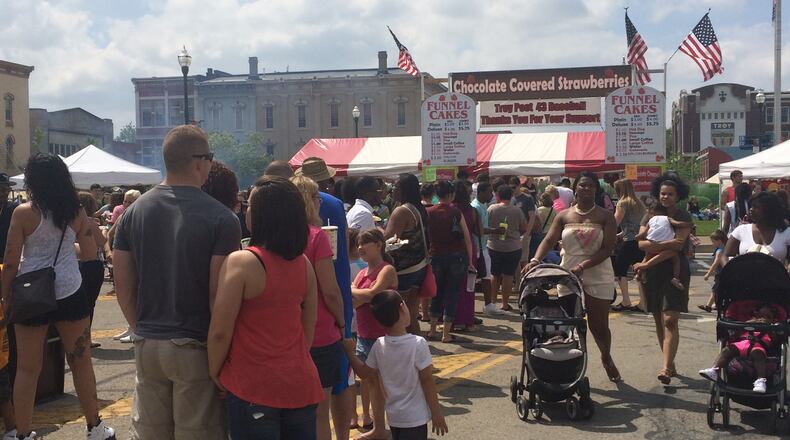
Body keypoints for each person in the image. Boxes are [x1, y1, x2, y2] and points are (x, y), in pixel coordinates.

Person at [113, 125, 241, 438]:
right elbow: (218, 296)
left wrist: (141, 326)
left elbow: (122, 283)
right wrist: (220, 360)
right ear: (199, 162)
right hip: (195, 345)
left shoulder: (133, 212)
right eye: (209, 157)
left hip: (148, 341)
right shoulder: (222, 219)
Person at [1, 154, 115, 440]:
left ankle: (24, 433)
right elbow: (90, 255)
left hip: (31, 293)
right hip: (70, 290)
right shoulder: (74, 212)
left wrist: (6, 297)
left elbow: (12, 261)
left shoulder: (24, 213)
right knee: (80, 359)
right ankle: (95, 427)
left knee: (28, 368)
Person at [207, 176, 324, 439]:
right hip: (300, 381)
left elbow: (220, 331)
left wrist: (215, 371)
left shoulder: (242, 262)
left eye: (250, 205)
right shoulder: (303, 264)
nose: (246, 210)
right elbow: (309, 325)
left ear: (262, 215)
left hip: (252, 386)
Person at [526, 171, 621, 383]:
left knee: (598, 325)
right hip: (567, 274)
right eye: (582, 185)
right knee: (567, 323)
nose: (586, 189)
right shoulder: (564, 215)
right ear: (575, 188)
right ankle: (572, 365)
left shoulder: (605, 216)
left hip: (598, 272)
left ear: (596, 189)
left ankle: (606, 356)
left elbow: (607, 249)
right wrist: (535, 260)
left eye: (590, 186)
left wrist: (583, 266)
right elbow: (549, 240)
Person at [293, 157, 356, 440]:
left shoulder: (283, 220)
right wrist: (343, 318)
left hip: (295, 319)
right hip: (330, 309)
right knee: (338, 382)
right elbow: (339, 259)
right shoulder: (329, 210)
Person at [341, 291, 448, 440]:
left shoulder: (379, 345)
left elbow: (364, 373)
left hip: (394, 417)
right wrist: (437, 414)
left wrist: (350, 353)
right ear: (402, 308)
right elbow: (427, 380)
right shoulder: (417, 343)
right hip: (415, 418)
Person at [636, 173, 693, 385]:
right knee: (658, 318)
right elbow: (641, 244)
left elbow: (680, 244)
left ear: (678, 196)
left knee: (670, 319)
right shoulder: (650, 215)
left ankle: (666, 367)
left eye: (670, 194)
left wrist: (657, 245)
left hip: (675, 271)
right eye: (662, 194)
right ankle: (669, 361)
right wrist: (666, 245)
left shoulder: (684, 216)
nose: (665, 197)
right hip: (653, 273)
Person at [352, 229, 397, 440]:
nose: (360, 247)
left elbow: (372, 294)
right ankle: (376, 425)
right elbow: (359, 299)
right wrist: (364, 296)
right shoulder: (362, 274)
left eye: (366, 243)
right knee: (370, 383)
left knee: (381, 385)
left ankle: (382, 428)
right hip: (364, 334)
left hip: (382, 336)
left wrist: (357, 292)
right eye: (359, 244)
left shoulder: (386, 270)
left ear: (379, 244)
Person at [427, 181, 474, 343]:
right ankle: (446, 334)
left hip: (436, 257)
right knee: (452, 293)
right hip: (456, 257)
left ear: (436, 195)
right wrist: (470, 260)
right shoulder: (456, 212)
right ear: (451, 195)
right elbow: (467, 239)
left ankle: (432, 329)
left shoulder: (429, 212)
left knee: (436, 293)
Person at [384, 174, 429, 335]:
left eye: (396, 187)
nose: (393, 190)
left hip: (404, 268)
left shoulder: (401, 211)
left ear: (403, 190)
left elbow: (389, 240)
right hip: (420, 265)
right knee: (411, 312)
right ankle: (417, 346)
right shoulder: (420, 207)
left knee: (399, 313)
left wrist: (378, 232)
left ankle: (407, 347)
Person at [699, 303, 780, 393]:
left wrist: (769, 327)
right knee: (727, 350)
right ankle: (715, 370)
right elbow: (737, 334)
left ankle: (761, 380)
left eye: (768, 317)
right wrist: (750, 324)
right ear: (756, 315)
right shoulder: (750, 322)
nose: (763, 318)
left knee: (758, 355)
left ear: (773, 319)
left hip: (759, 346)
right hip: (742, 344)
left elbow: (775, 340)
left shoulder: (772, 328)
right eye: (761, 316)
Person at [486, 185, 527, 313]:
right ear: (511, 196)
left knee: (495, 274)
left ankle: (492, 302)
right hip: (513, 246)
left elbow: (486, 224)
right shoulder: (517, 210)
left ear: (498, 195)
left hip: (494, 245)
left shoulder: (491, 208)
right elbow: (524, 227)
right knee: (508, 275)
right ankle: (505, 303)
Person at [76, 192, 108, 348]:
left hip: (74, 264)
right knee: (89, 304)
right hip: (91, 265)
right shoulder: (89, 222)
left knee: (78, 302)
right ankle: (86, 337)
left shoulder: (68, 221)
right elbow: (102, 241)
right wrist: (102, 231)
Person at [632, 210, 692, 291]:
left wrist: (637, 237)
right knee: (676, 259)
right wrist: (688, 224)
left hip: (651, 242)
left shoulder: (650, 220)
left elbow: (644, 233)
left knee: (646, 257)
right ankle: (675, 278)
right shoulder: (667, 218)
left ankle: (639, 273)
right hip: (665, 242)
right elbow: (678, 224)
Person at [610, 179, 646, 312]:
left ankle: (626, 301)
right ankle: (643, 302)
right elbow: (635, 223)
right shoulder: (638, 202)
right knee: (639, 271)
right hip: (641, 241)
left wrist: (609, 233)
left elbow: (615, 222)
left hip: (629, 241)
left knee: (620, 269)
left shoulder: (622, 202)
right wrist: (620, 234)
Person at [724, 191, 790, 263]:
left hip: (776, 274)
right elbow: (725, 255)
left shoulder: (786, 232)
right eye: (751, 206)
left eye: (756, 207)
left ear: (768, 210)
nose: (751, 209)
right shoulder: (741, 230)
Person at [452, 180, 481, 330]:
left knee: (454, 287)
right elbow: (478, 231)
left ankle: (454, 319)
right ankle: (468, 318)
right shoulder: (472, 210)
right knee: (469, 287)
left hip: (454, 249)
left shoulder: (452, 209)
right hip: (470, 249)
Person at [471, 182, 501, 316]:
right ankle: (487, 305)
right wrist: (495, 231)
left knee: (485, 276)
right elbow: (478, 230)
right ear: (480, 192)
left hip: (482, 245)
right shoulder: (475, 207)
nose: (492, 195)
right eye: (489, 192)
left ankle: (489, 305)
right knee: (482, 277)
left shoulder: (482, 206)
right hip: (477, 247)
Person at [510, 178, 537, 270]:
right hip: (513, 234)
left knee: (524, 260)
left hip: (524, 234)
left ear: (519, 186)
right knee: (515, 260)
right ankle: (518, 281)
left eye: (514, 187)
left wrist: (527, 234)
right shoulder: (510, 198)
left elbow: (532, 217)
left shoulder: (528, 198)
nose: (512, 189)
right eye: (510, 188)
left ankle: (524, 280)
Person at [698, 229, 727, 313]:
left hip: (721, 274)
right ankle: (709, 306)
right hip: (723, 273)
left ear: (719, 241)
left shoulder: (720, 250)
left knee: (716, 290)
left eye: (713, 241)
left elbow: (716, 263)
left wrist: (708, 274)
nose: (712, 243)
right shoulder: (724, 247)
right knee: (716, 290)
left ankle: (711, 306)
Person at [0, 174, 19, 263]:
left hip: (7, 260)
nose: (5, 193)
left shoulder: (14, 209)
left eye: (7, 189)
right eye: (2, 189)